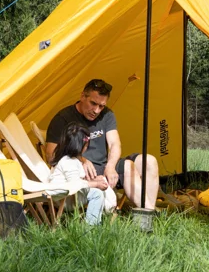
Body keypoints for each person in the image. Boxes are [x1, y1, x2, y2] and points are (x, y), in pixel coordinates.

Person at [45, 78, 159, 210]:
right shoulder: (63, 118)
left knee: (148, 161)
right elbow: (51, 155)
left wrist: (110, 166)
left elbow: (115, 144)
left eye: (101, 106)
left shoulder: (107, 115)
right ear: (82, 96)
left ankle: (149, 213)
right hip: (84, 171)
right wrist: (81, 159)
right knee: (128, 166)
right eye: (93, 103)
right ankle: (150, 214)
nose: (97, 110)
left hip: (105, 166)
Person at [48, 123, 114, 225]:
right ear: (81, 145)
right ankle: (91, 226)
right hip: (64, 198)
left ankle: (98, 219)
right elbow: (75, 184)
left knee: (97, 187)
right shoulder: (68, 161)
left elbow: (76, 181)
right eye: (86, 143)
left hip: (68, 195)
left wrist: (95, 181)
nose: (87, 146)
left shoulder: (69, 159)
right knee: (97, 194)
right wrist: (96, 184)